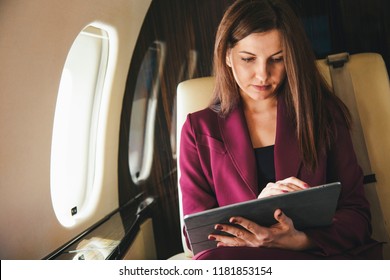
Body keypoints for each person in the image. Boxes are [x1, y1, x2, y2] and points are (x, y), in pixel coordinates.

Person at [179, 0, 382, 259]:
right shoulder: (198, 130)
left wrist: (299, 241)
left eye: (277, 59)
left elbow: (357, 216)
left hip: (313, 257)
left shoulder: (323, 114)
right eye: (248, 59)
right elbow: (197, 235)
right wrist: (257, 210)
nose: (263, 75)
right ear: (227, 56)